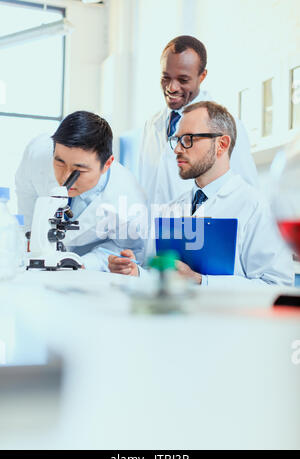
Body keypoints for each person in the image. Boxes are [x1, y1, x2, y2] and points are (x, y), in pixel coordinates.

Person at [108, 101, 293, 287]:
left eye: (188, 139)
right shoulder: (172, 208)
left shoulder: (257, 207)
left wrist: (200, 281)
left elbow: (276, 285)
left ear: (221, 144)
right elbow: (161, 273)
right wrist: (136, 272)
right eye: (177, 140)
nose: (178, 149)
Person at [15, 111, 147, 270]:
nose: (65, 178)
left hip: (89, 267)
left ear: (107, 164)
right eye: (60, 162)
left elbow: (129, 250)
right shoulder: (37, 155)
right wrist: (33, 235)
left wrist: (88, 263)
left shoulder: (128, 198)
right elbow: (25, 192)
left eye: (80, 170)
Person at [138, 35, 258, 204]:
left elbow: (248, 193)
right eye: (166, 77)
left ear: (202, 76)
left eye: (183, 79)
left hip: (202, 228)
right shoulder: (151, 126)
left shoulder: (226, 124)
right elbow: (146, 187)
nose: (171, 88)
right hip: (156, 228)